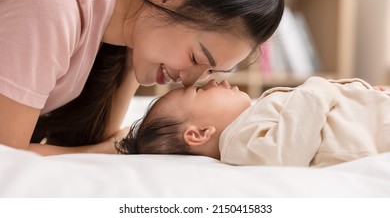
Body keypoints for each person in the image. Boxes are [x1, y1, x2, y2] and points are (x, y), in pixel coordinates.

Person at [0, 0, 284, 155]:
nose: (190, 81)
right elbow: (8, 155)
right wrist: (111, 150)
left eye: (211, 71)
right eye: (197, 57)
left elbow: (103, 136)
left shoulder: (130, 26)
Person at [116, 77, 390, 167]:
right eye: (200, 90)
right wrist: (316, 86)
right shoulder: (239, 141)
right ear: (199, 133)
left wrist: (360, 91)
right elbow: (287, 153)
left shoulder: (250, 118)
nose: (214, 80)